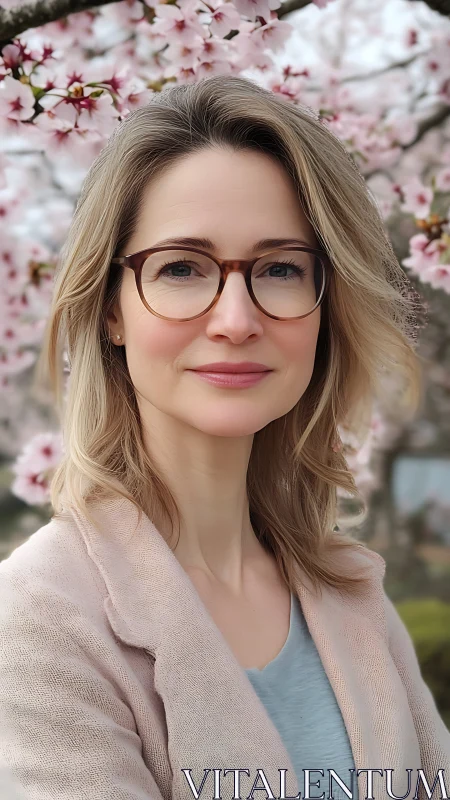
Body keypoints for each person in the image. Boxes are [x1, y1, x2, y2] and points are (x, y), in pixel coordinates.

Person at [0, 74, 448, 800]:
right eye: (181, 268)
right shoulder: (44, 616)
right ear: (111, 308)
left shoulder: (349, 591)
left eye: (280, 268)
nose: (236, 320)